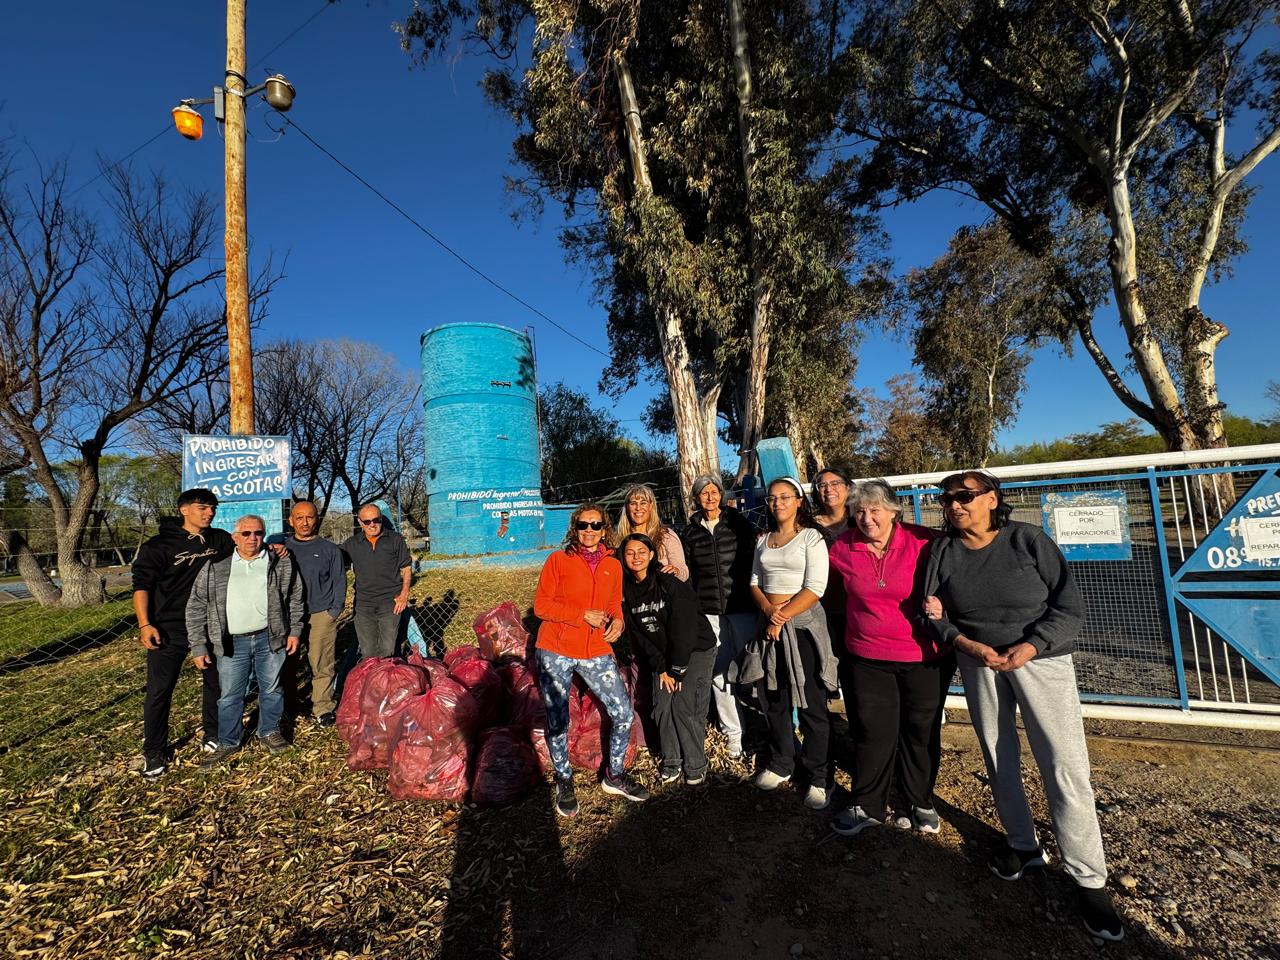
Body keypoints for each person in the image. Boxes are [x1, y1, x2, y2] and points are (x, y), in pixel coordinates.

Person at [922, 470, 1124, 942]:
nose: (954, 505)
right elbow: (931, 612)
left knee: (1063, 763)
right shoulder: (943, 551)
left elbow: (1068, 607)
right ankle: (1022, 844)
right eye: (947, 498)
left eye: (965, 496)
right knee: (999, 756)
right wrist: (965, 644)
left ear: (993, 499)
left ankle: (1088, 878)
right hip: (980, 662)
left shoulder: (1027, 540)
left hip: (1041, 661)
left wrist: (1032, 646)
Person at [827, 479, 950, 837]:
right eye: (859, 511)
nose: (867, 519)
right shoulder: (842, 547)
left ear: (894, 511)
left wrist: (946, 606)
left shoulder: (924, 541)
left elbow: (958, 578)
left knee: (920, 731)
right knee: (871, 731)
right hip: (866, 655)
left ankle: (919, 801)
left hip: (922, 655)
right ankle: (868, 804)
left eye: (875, 510)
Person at [534, 503, 649, 816]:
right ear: (574, 528)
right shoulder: (558, 560)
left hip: (596, 649)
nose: (589, 531)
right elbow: (541, 606)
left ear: (604, 529)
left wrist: (619, 621)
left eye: (596, 525)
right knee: (558, 719)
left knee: (623, 712)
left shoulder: (612, 563)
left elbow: (613, 604)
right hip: (556, 648)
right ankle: (564, 778)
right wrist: (581, 614)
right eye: (583, 525)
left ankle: (615, 775)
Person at [743, 476, 838, 810]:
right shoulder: (763, 540)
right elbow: (754, 582)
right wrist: (769, 612)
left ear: (799, 501)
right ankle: (782, 761)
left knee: (811, 704)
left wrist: (781, 617)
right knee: (774, 699)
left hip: (802, 630)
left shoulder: (811, 537)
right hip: (769, 629)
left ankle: (819, 776)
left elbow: (816, 586)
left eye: (785, 497)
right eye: (772, 498)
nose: (778, 503)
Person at [187, 514, 305, 765]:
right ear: (234, 537)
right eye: (246, 533)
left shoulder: (279, 561)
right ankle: (228, 741)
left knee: (271, 689)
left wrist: (295, 631)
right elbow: (196, 606)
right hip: (232, 642)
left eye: (258, 533)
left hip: (269, 638)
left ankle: (269, 731)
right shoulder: (216, 566)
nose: (253, 538)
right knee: (230, 694)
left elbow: (295, 597)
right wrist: (198, 645)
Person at [132, 488, 233, 777]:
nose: (209, 512)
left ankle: (213, 733)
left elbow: (245, 553)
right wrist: (145, 624)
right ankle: (154, 750)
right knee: (160, 690)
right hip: (169, 628)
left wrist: (275, 548)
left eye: (212, 508)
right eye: (202, 507)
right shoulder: (157, 546)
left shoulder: (220, 540)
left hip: (210, 626)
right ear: (184, 509)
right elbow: (142, 586)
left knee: (215, 683)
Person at [619, 532, 717, 785]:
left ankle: (695, 763)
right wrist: (661, 667)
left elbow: (684, 630)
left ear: (652, 555)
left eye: (642, 552)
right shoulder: (627, 591)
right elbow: (640, 635)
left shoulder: (670, 584)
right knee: (662, 706)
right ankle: (672, 760)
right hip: (663, 655)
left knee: (684, 706)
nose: (636, 557)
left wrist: (677, 669)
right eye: (630, 553)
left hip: (694, 650)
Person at [681, 474, 758, 758]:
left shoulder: (738, 524)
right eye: (704, 493)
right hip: (710, 612)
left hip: (742, 608)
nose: (710, 497)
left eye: (714, 491)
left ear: (721, 495)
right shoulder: (690, 533)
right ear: (696, 498)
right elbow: (689, 575)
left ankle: (765, 726)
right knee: (719, 674)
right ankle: (733, 733)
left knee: (754, 669)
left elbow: (754, 561)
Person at [282, 500, 347, 726]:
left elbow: (340, 581)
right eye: (299, 518)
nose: (304, 522)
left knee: (322, 663)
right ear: (291, 521)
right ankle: (289, 706)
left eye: (309, 517)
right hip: (289, 616)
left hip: (321, 614)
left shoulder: (330, 549)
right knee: (287, 664)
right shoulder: (282, 549)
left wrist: (334, 611)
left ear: (317, 520)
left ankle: (323, 707)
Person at [341, 503, 411, 658]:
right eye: (367, 521)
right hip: (363, 605)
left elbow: (406, 567)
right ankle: (372, 674)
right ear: (360, 522)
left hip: (390, 603)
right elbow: (334, 564)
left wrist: (404, 594)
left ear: (381, 518)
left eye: (376, 520)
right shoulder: (351, 544)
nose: (372, 524)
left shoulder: (395, 539)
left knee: (388, 650)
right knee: (368, 652)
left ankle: (389, 673)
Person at [613, 483, 688, 581]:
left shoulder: (666, 535)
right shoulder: (618, 539)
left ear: (651, 506)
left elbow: (683, 571)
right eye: (633, 503)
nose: (638, 508)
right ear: (627, 507)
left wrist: (676, 571)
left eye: (643, 503)